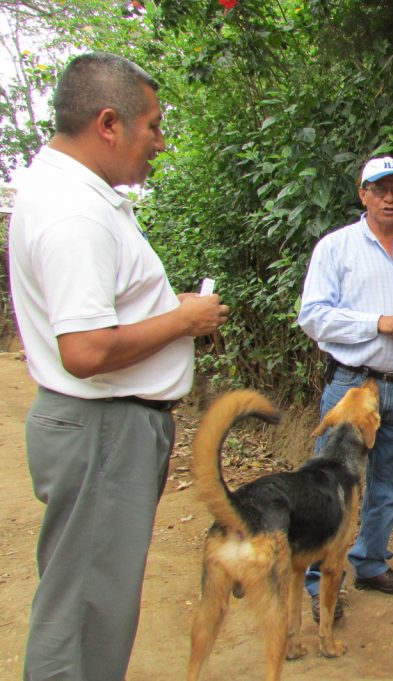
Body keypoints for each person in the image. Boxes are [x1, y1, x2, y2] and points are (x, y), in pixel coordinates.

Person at [7, 53, 230, 680]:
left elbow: (102, 317)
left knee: (96, 604)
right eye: (153, 125)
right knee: (81, 615)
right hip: (104, 432)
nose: (160, 141)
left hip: (109, 430)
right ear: (109, 123)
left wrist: (170, 309)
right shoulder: (75, 214)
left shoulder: (76, 195)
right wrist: (185, 320)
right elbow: (85, 351)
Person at [298, 156, 393, 616]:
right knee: (330, 483)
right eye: (380, 189)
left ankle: (369, 563)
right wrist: (380, 323)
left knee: (392, 480)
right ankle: (315, 582)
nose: (390, 198)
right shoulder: (336, 248)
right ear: (362, 193)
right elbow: (314, 317)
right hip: (352, 386)